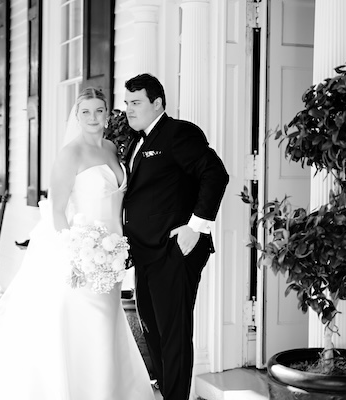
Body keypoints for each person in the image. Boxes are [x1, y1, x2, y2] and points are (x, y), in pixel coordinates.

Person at [0, 87, 155, 400]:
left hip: (110, 256)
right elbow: (58, 211)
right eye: (85, 111)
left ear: (107, 113)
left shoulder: (113, 149)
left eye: (99, 110)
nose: (93, 117)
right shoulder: (70, 154)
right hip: (81, 255)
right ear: (77, 115)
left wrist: (113, 250)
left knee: (107, 325)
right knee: (86, 323)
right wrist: (76, 256)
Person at [123, 73, 229, 400]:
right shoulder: (136, 141)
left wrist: (195, 227)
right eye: (126, 102)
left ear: (157, 103)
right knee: (153, 332)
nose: (129, 109)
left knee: (174, 337)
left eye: (136, 102)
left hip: (174, 251)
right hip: (144, 254)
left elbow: (215, 173)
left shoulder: (178, 133)